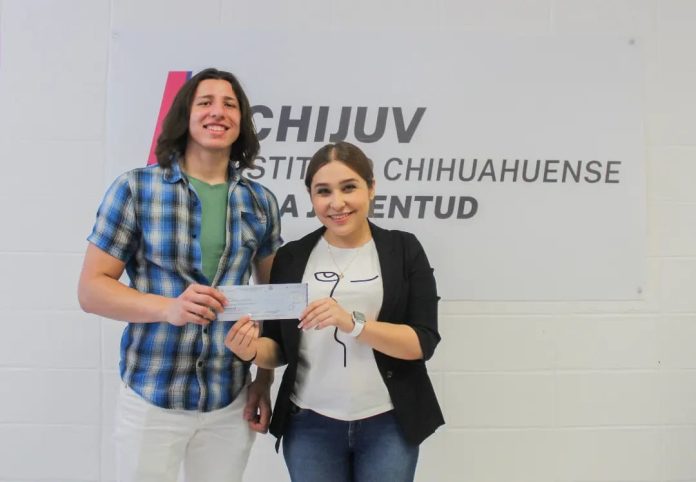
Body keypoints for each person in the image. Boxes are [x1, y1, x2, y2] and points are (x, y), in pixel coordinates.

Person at [78, 68, 282, 482]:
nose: (218, 112)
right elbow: (91, 290)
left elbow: (273, 302)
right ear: (185, 116)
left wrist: (263, 379)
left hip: (230, 398)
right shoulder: (135, 188)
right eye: (205, 102)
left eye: (230, 104)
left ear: (241, 120)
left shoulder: (260, 201)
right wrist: (168, 308)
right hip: (152, 395)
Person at [225, 141, 444, 482]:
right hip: (309, 424)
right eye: (323, 191)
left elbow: (422, 343)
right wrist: (250, 350)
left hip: (388, 423)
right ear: (311, 197)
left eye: (349, 187)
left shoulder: (404, 249)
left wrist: (353, 323)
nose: (337, 203)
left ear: (371, 188)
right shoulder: (292, 257)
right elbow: (278, 348)